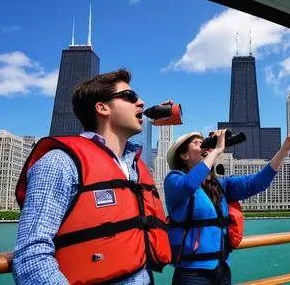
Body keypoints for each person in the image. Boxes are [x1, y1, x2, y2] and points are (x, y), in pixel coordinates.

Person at [13, 69, 171, 284]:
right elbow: (31, 255)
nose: (141, 102)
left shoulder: (135, 166)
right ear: (102, 107)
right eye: (130, 96)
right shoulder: (60, 162)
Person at [164, 128, 290, 284]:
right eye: (197, 143)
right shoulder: (174, 180)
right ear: (184, 155)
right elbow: (189, 184)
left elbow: (258, 182)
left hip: (222, 268)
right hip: (192, 272)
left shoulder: (220, 185)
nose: (204, 146)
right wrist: (216, 150)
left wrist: (284, 150)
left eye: (204, 143)